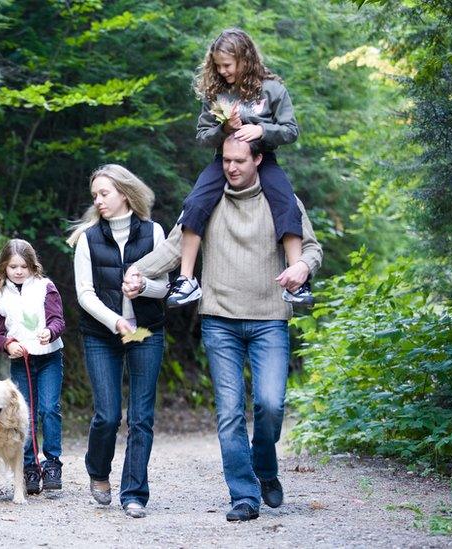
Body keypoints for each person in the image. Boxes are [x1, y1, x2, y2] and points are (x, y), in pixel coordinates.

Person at [123, 136, 323, 522]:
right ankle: (244, 495)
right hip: (220, 322)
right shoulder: (208, 200)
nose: (231, 168)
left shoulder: (282, 201)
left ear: (258, 159)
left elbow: (311, 248)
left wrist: (303, 267)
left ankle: (265, 467)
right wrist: (138, 271)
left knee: (270, 405)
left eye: (239, 160)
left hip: (269, 319)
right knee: (229, 412)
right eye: (226, 160)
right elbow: (173, 248)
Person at [167, 28, 313, 308]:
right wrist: (224, 128)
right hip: (223, 159)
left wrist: (260, 130)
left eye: (227, 65)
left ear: (245, 60)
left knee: (286, 203)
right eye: (217, 66)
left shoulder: (272, 89)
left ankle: (297, 281)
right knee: (195, 202)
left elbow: (291, 131)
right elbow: (202, 135)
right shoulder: (215, 92)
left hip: (262, 159)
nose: (222, 71)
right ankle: (185, 279)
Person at [66, 164, 169, 519]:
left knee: (141, 417)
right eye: (95, 195)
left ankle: (134, 493)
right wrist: (116, 321)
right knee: (108, 415)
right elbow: (84, 294)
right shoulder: (88, 238)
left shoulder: (154, 232)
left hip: (146, 332)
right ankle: (98, 471)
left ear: (124, 193)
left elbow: (165, 287)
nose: (98, 200)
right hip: (101, 334)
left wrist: (144, 288)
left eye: (104, 193)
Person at [0, 239, 66, 496]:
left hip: (48, 357)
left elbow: (57, 320)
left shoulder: (46, 287)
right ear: (4, 268)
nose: (18, 271)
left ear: (33, 266)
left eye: (23, 266)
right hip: (21, 361)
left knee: (49, 408)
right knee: (26, 414)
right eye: (13, 267)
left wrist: (49, 331)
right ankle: (29, 467)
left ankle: (52, 464)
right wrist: (8, 344)